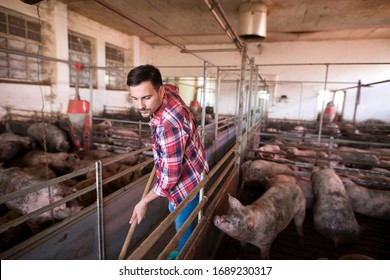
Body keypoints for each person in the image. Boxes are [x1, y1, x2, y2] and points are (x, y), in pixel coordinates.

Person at [127, 64, 209, 259]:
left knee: (183, 224)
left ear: (160, 91)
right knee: (176, 213)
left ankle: (184, 255)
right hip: (193, 166)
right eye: (135, 98)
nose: (140, 106)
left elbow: (171, 177)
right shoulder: (168, 92)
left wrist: (144, 201)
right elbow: (174, 87)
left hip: (186, 184)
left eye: (146, 98)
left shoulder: (168, 123)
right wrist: (161, 156)